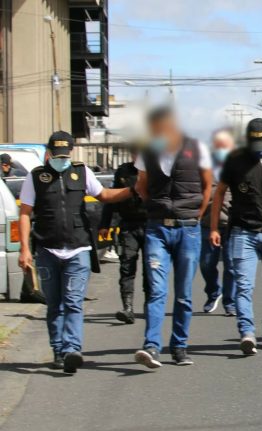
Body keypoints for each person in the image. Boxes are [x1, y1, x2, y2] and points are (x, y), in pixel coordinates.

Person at [18, 131, 132, 373]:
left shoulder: (82, 172)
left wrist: (134, 190)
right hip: (47, 249)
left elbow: (104, 195)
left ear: (70, 152)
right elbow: (25, 213)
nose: (61, 159)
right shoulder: (36, 177)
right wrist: (25, 249)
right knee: (54, 304)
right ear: (48, 153)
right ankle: (58, 351)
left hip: (78, 248)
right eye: (56, 155)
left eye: (65, 155)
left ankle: (72, 350)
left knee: (73, 302)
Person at [133, 107, 213, 368]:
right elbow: (141, 186)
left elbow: (207, 185)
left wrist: (196, 216)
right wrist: (157, 208)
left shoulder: (197, 147)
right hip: (158, 229)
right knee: (156, 290)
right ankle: (151, 347)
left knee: (183, 294)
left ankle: (179, 346)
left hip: (188, 228)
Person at [210, 118, 262, 354]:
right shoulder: (234, 160)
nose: (258, 145)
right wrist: (214, 227)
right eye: (253, 141)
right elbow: (219, 194)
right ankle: (247, 332)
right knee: (244, 285)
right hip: (243, 232)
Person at [98, 147, 148, 324]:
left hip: (151, 226)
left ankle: (151, 307)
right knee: (127, 266)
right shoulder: (123, 171)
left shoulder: (155, 169)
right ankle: (128, 308)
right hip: (128, 226)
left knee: (151, 269)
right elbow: (112, 199)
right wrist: (105, 224)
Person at [200, 129, 236, 315]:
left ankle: (230, 301)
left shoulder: (239, 166)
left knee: (231, 264)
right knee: (206, 263)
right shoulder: (205, 167)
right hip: (207, 223)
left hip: (233, 224)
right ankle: (214, 293)